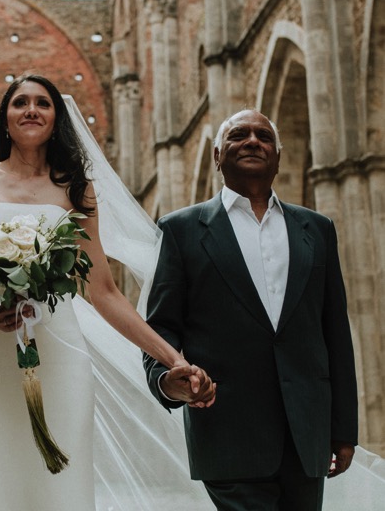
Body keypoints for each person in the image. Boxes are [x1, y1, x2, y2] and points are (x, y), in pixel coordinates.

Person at [0, 74, 216, 511]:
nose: (31, 109)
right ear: (5, 119)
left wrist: (174, 359)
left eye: (43, 103)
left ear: (56, 118)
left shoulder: (76, 189)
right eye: (20, 102)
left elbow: (103, 292)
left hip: (59, 354)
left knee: (62, 487)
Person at [143, 109, 358, 510]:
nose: (253, 141)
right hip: (226, 432)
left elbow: (333, 332)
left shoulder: (317, 229)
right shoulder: (181, 230)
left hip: (305, 435)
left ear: (278, 155)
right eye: (239, 134)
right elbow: (161, 327)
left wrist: (343, 429)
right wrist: (167, 380)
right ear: (217, 155)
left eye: (263, 136)